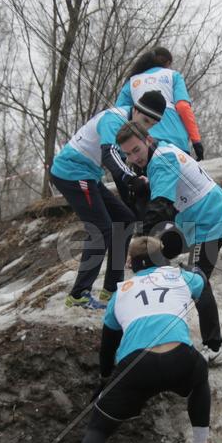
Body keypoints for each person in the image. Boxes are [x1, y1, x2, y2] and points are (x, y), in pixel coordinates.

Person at [39, 236, 222, 443]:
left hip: (135, 366)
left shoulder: (120, 292)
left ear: (132, 263)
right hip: (180, 358)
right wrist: (212, 338)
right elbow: (203, 287)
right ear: (161, 257)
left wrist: (105, 379)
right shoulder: (179, 276)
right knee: (199, 380)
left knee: (98, 427)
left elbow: (108, 344)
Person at [117, 122, 222, 366]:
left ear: (148, 140)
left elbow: (160, 207)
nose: (133, 158)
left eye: (136, 150)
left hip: (209, 220)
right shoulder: (160, 149)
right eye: (127, 154)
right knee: (156, 254)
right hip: (191, 219)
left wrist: (138, 244)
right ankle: (153, 318)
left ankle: (214, 348)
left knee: (198, 279)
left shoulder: (160, 161)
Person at [50, 91, 168, 310]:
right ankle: (78, 296)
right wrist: (131, 179)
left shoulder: (128, 129)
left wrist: (134, 203)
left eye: (151, 124)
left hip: (88, 174)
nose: (146, 126)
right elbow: (109, 156)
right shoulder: (114, 120)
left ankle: (111, 289)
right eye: (144, 120)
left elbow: (119, 174)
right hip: (71, 171)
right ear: (135, 110)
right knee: (101, 228)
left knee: (125, 219)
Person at [116, 46, 205, 160]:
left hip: (145, 142)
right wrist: (196, 141)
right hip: (176, 142)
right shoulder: (173, 75)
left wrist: (122, 151)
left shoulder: (132, 82)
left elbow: (118, 115)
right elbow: (183, 107)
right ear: (168, 63)